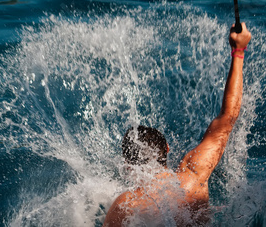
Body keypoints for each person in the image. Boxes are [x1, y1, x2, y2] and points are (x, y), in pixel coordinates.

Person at [103, 22, 252, 226]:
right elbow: (227, 119)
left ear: (128, 166)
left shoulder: (126, 205)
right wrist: (238, 51)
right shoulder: (195, 174)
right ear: (166, 148)